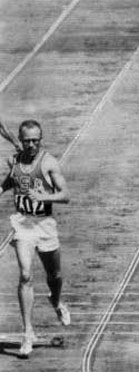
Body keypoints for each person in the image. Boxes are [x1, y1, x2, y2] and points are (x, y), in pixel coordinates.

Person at [0, 120, 71, 357]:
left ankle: (57, 301)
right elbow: (12, 180)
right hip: (23, 224)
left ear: (41, 139)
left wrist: (44, 197)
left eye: (35, 140)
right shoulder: (14, 161)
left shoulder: (49, 163)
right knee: (25, 274)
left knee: (55, 276)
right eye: (27, 141)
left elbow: (65, 195)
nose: (31, 145)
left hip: (45, 225)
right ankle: (28, 333)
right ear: (21, 141)